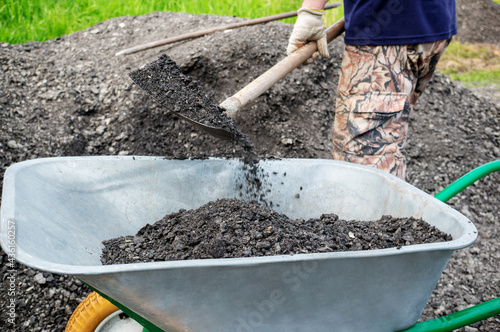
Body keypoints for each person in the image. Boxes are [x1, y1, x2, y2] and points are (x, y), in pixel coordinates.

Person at [287, 0, 456, 180]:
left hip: (384, 34)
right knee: (386, 143)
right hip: (434, 21)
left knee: (364, 168)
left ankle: (381, 208)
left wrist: (311, 11)